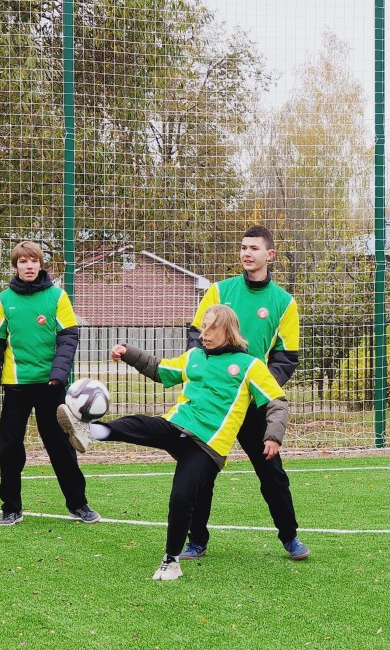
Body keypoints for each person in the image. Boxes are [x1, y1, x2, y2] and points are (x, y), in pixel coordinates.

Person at [56, 305, 289, 580]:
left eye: (211, 327)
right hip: (177, 426)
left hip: (206, 446)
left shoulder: (251, 366)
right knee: (139, 424)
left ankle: (171, 561)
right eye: (203, 327)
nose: (205, 333)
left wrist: (273, 435)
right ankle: (89, 432)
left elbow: (277, 402)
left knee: (182, 496)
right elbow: (158, 368)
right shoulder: (194, 357)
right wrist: (129, 353)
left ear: (228, 330)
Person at [178, 225, 308, 562]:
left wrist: (258, 388)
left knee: (272, 475)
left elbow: (286, 356)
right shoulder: (219, 292)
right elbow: (196, 337)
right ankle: (196, 541)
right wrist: (210, 376)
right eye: (243, 247)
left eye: (254, 248)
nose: (246, 253)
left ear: (270, 255)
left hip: (253, 406)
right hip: (217, 403)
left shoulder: (284, 302)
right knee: (200, 473)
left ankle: (290, 537)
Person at [0, 240, 100, 526]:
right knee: (9, 447)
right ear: (16, 266)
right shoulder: (3, 300)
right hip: (16, 386)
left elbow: (68, 338)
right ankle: (10, 508)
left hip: (51, 386)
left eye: (33, 260)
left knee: (60, 446)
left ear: (41, 263)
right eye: (23, 261)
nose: (29, 265)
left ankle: (78, 505)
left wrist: (58, 373)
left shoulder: (57, 297)